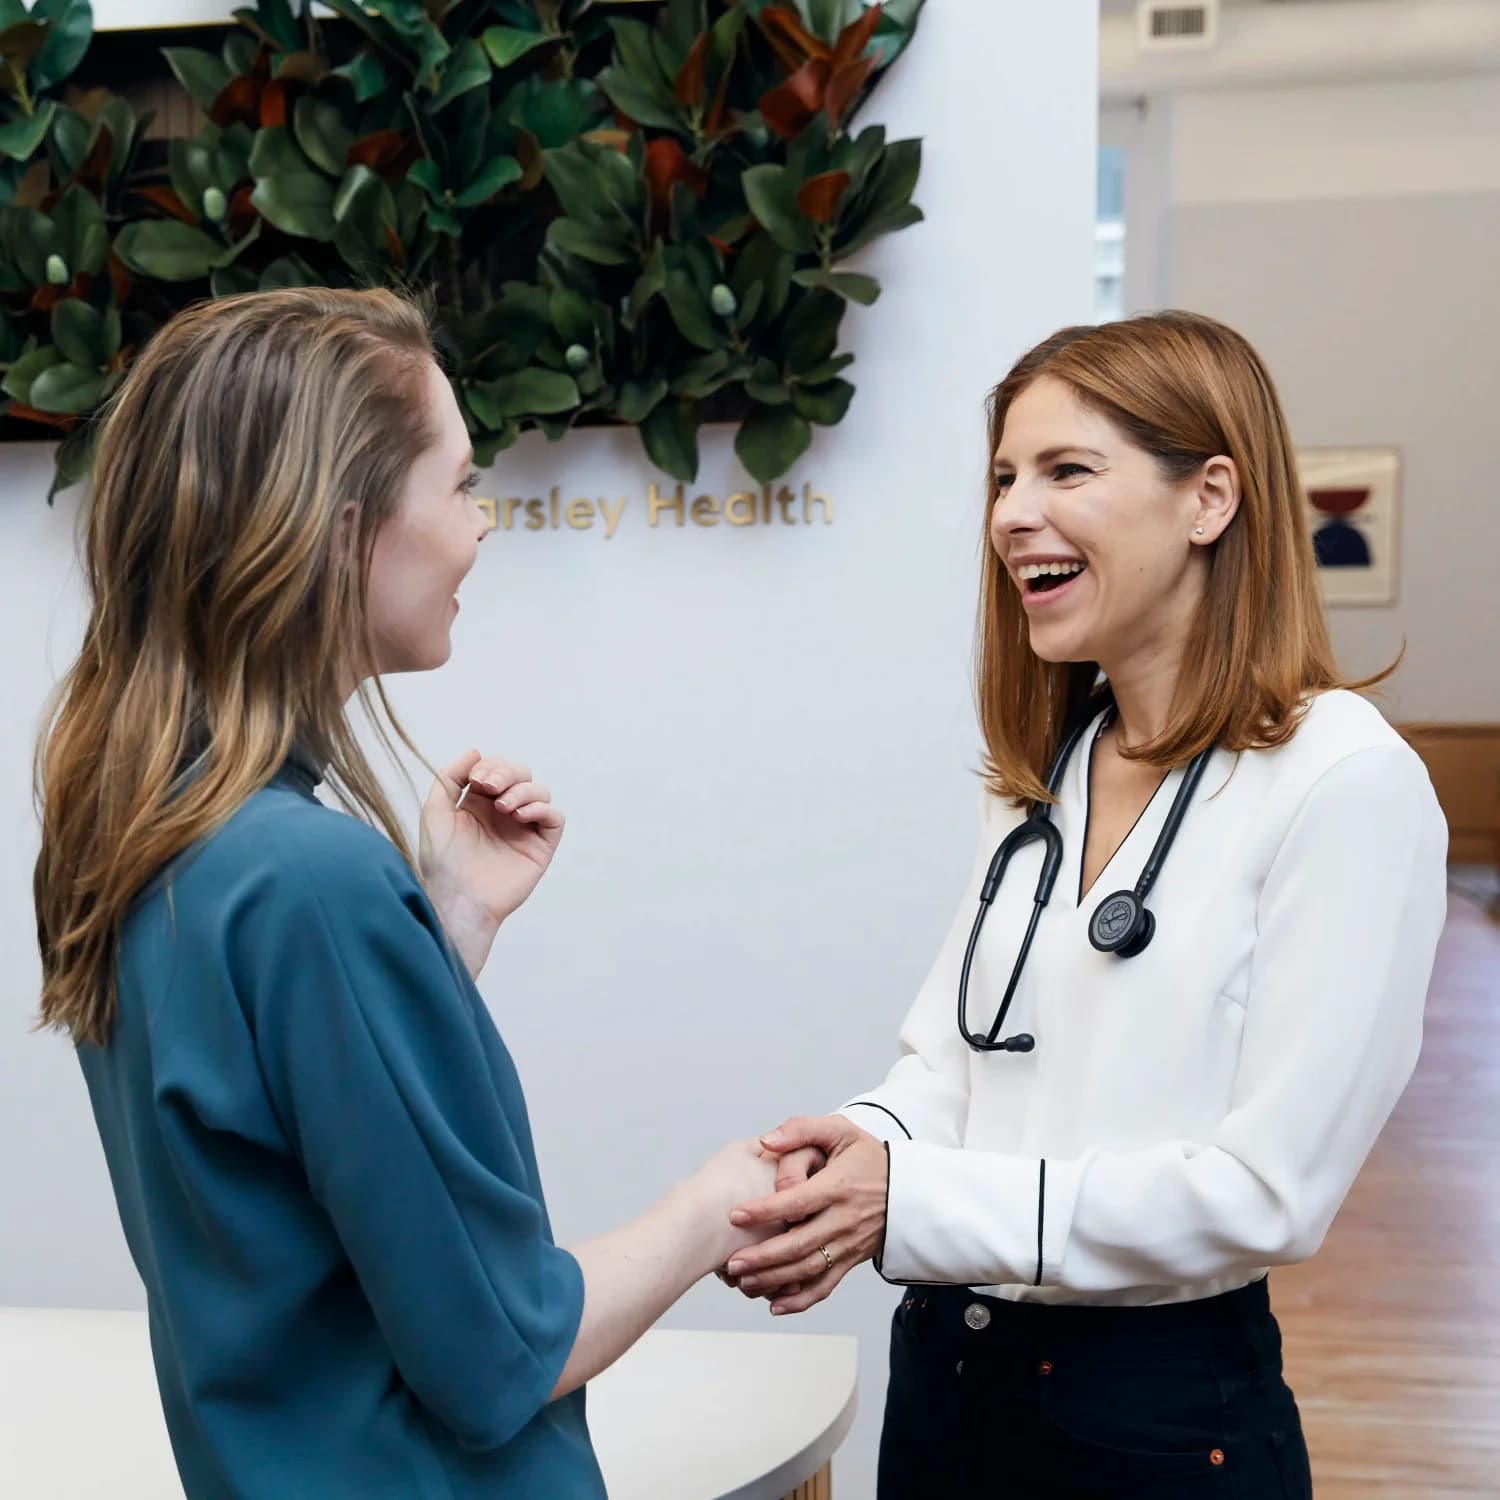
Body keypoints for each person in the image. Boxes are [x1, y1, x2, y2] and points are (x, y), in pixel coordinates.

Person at [33, 287, 775, 1499]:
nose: (482, 527)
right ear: (338, 531)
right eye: (462, 485)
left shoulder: (138, 836)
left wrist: (450, 930)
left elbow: (288, 1166)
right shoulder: (310, 879)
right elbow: (499, 1354)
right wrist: (719, 1206)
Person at [719, 311, 1448, 1498]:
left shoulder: (1346, 784)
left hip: (1156, 1423)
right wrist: (861, 1148)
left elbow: (1267, 1192)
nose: (1011, 512)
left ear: (1211, 497)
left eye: (1066, 471)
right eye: (1004, 476)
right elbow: (954, 1068)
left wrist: (911, 1202)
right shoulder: (1045, 775)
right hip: (950, 1380)